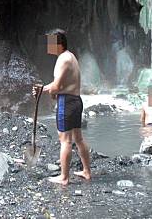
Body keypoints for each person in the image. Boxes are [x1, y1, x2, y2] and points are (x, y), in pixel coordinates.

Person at [32, 29, 91, 185]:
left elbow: (57, 87)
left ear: (58, 44)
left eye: (50, 43)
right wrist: (44, 88)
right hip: (76, 100)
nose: (48, 47)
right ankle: (86, 171)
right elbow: (62, 83)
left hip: (66, 102)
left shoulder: (62, 60)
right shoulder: (70, 57)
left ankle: (64, 177)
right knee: (78, 138)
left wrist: (47, 91)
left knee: (65, 140)